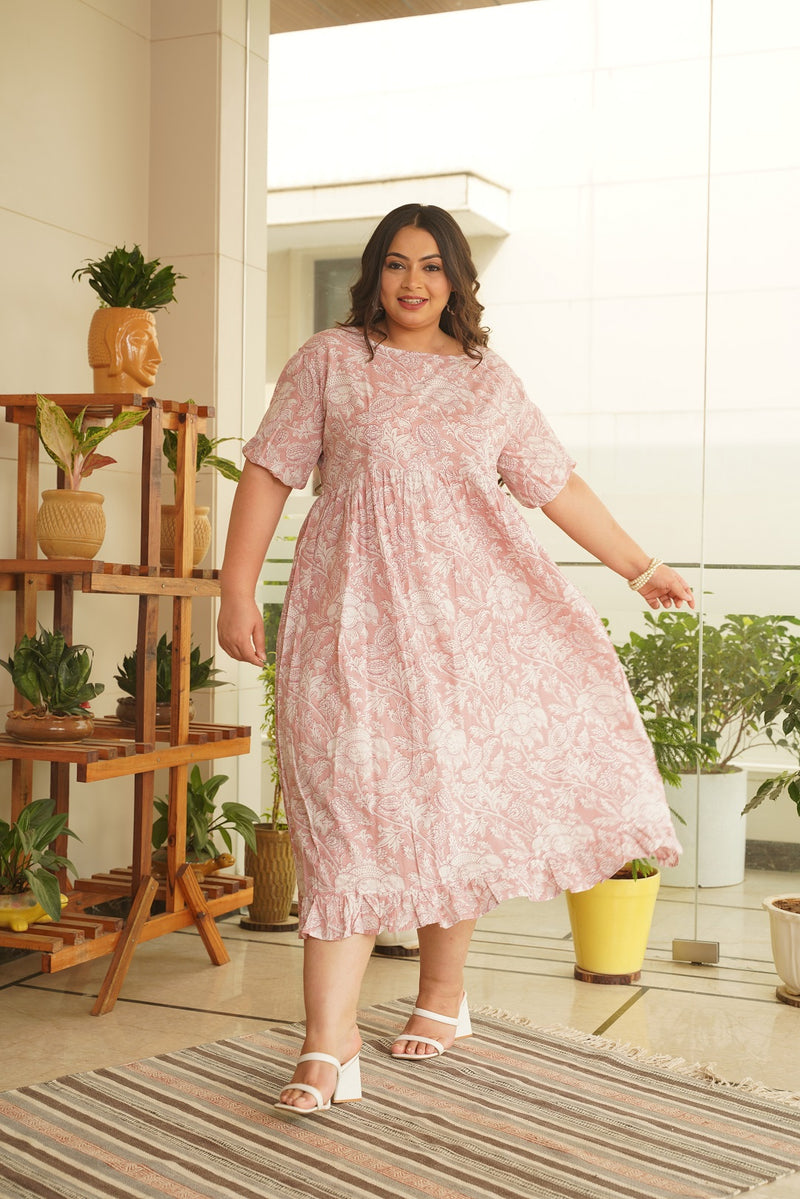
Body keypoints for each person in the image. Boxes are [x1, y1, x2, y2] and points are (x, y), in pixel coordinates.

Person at [217, 203, 692, 1115]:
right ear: (373, 274)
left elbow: (553, 482)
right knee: (345, 807)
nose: (413, 282)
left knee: (448, 802)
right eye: (397, 264)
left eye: (432, 266)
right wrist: (237, 591)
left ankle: (442, 995)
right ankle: (329, 1039)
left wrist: (640, 566)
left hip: (466, 629)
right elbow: (270, 471)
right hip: (349, 623)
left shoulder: (487, 380)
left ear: (457, 281)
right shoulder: (330, 360)